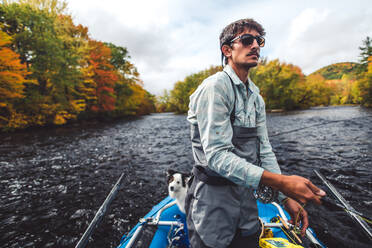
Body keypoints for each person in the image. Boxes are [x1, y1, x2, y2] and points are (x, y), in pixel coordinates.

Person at [185, 18, 326, 248]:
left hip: (246, 200)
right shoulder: (215, 88)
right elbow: (217, 157)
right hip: (212, 202)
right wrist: (283, 181)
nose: (256, 46)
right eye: (247, 40)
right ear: (227, 50)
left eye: (259, 41)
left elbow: (264, 150)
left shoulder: (256, 99)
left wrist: (284, 195)